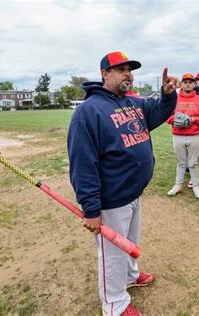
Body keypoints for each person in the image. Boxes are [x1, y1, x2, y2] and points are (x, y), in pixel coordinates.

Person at [67, 51, 178, 315]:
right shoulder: (88, 112)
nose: (128, 73)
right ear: (105, 74)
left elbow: (160, 111)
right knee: (112, 254)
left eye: (130, 69)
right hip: (111, 199)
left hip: (134, 192)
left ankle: (130, 277)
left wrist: (168, 94)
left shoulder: (133, 103)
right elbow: (83, 165)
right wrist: (91, 209)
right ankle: (115, 303)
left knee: (130, 240)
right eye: (120, 69)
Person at [167, 73, 199, 199]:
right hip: (178, 134)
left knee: (193, 163)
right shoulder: (174, 98)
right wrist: (173, 121)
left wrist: (193, 120)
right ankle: (178, 185)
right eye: (185, 82)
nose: (188, 84)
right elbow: (166, 114)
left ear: (194, 84)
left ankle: (196, 186)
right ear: (181, 84)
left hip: (194, 135)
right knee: (181, 162)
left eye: (190, 82)